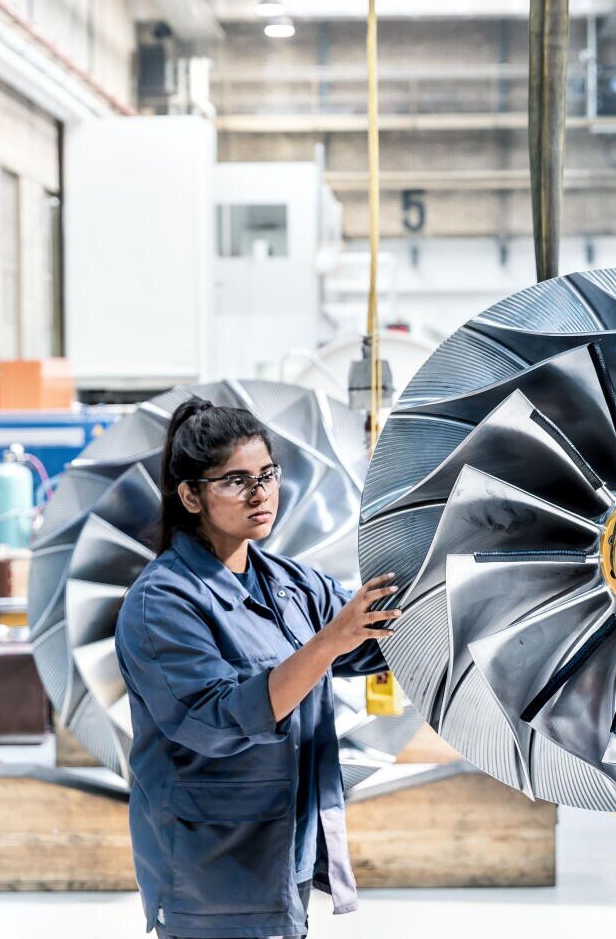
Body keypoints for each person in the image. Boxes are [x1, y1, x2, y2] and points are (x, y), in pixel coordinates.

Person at [116, 398, 400, 939]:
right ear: (190, 496)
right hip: (212, 867)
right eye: (236, 481)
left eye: (267, 474)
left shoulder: (291, 585)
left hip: (287, 851)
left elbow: (372, 645)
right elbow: (218, 719)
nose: (260, 492)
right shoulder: (162, 602)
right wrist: (329, 641)